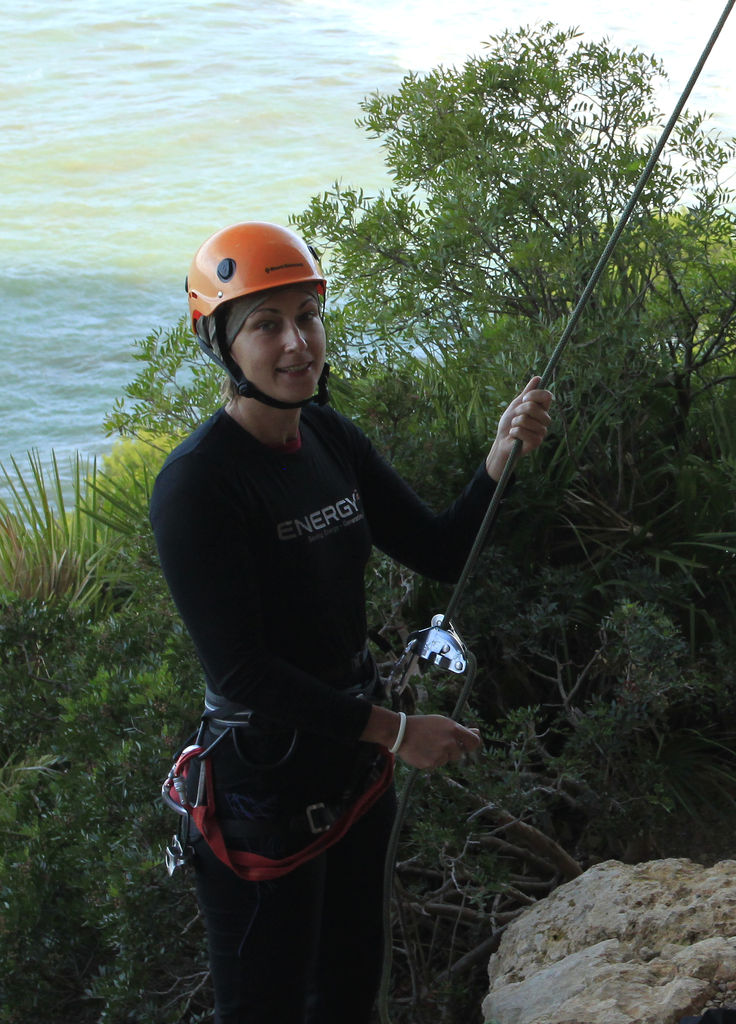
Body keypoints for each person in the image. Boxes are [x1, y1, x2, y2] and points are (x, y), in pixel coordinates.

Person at [150, 221, 553, 1024]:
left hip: (354, 780)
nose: (298, 343)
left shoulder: (329, 436)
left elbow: (438, 548)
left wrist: (500, 457)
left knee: (346, 995)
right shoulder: (199, 485)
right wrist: (397, 731)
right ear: (221, 346)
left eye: (309, 315)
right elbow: (244, 674)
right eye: (266, 325)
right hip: (265, 798)